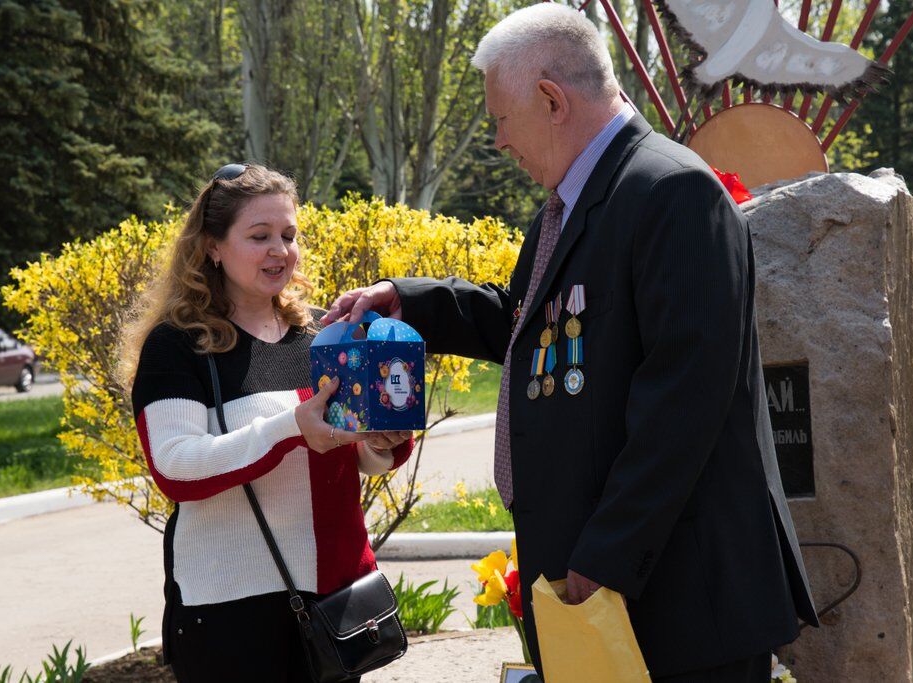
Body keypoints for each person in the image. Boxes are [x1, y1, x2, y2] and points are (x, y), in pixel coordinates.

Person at [323, 4, 818, 681]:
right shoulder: (576, 202)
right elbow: (529, 323)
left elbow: (685, 401)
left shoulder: (673, 194)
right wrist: (410, 301)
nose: (499, 140)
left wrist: (605, 553)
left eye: (500, 118)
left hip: (677, 602)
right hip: (607, 594)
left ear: (551, 99)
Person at [123, 163, 413, 682]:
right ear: (213, 246)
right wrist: (288, 430)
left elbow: (345, 450)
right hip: (229, 611)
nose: (280, 250)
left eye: (288, 234)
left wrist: (382, 442)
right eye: (259, 236)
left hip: (336, 598)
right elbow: (175, 469)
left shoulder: (321, 335)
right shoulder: (177, 345)